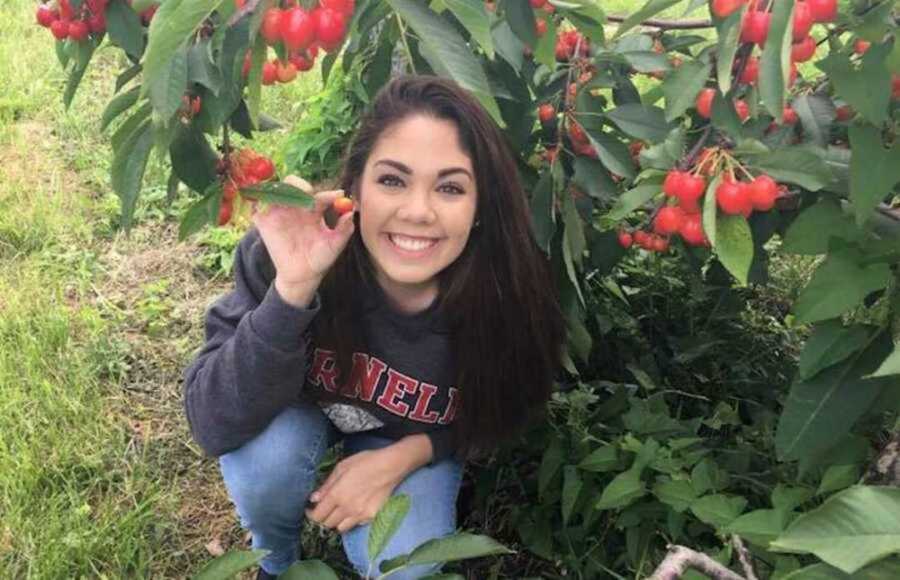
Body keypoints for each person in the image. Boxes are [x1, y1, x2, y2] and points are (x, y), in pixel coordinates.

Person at [183, 75, 566, 579]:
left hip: (409, 437)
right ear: (355, 186)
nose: (417, 211)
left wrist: (408, 455)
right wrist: (293, 290)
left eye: (450, 187)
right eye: (392, 180)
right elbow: (213, 421)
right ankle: (274, 562)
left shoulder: (503, 294)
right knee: (263, 462)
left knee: (403, 570)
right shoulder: (290, 256)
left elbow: (507, 408)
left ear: (479, 210)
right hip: (296, 411)